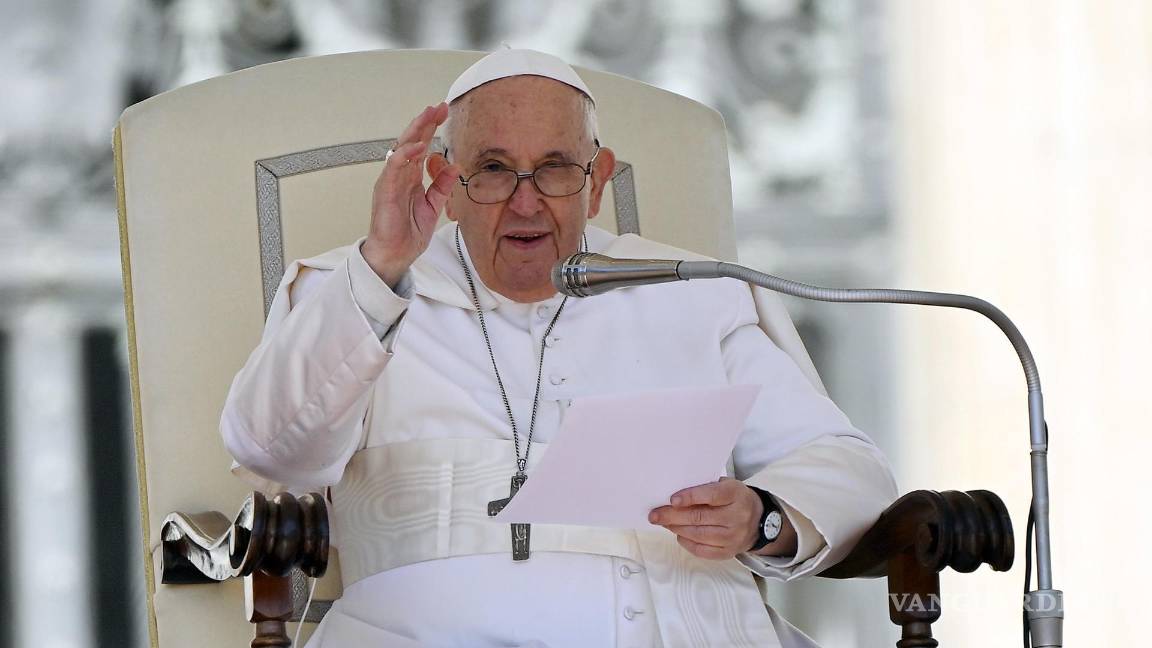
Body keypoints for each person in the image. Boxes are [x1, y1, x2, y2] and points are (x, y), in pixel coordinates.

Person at [221, 48, 898, 648]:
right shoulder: (364, 288)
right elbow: (270, 448)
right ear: (445, 182)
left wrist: (763, 516)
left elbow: (843, 466)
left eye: (554, 170)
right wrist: (383, 264)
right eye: (492, 169)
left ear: (598, 179)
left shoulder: (692, 292)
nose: (524, 203)